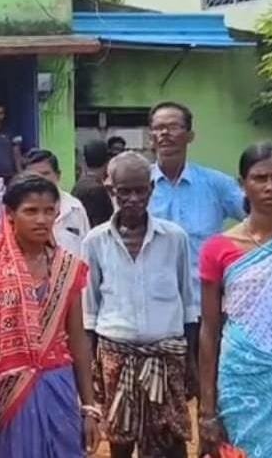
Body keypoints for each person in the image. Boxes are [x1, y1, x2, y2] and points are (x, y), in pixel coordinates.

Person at [0, 173, 101, 458]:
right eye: (31, 211)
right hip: (5, 393)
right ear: (10, 214)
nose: (41, 219)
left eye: (49, 211)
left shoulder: (67, 267)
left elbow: (77, 339)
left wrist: (89, 406)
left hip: (58, 387)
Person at [199, 141, 272, 458]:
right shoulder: (218, 248)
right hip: (242, 381)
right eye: (260, 178)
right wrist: (207, 408)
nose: (270, 187)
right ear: (243, 184)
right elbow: (209, 329)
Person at [83, 152, 195, 458]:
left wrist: (191, 363)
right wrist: (91, 370)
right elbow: (89, 310)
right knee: (120, 441)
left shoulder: (175, 238)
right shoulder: (95, 242)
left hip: (166, 357)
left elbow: (188, 304)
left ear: (151, 189)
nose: (133, 199)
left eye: (140, 190)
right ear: (111, 190)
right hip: (115, 357)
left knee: (171, 442)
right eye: (124, 191)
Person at [148, 102, 244, 335]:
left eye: (173, 127)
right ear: (151, 136)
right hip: (153, 310)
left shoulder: (216, 184)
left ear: (190, 135)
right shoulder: (138, 187)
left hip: (205, 308)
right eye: (158, 128)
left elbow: (258, 219)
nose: (165, 133)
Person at [23, 149, 90, 257]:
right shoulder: (19, 211)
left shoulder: (75, 208)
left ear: (58, 175)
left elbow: (86, 251)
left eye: (45, 174)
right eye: (33, 176)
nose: (39, 180)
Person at [73, 139, 115, 229]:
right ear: (107, 162)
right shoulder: (97, 190)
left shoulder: (80, 184)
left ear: (84, 161)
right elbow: (101, 226)